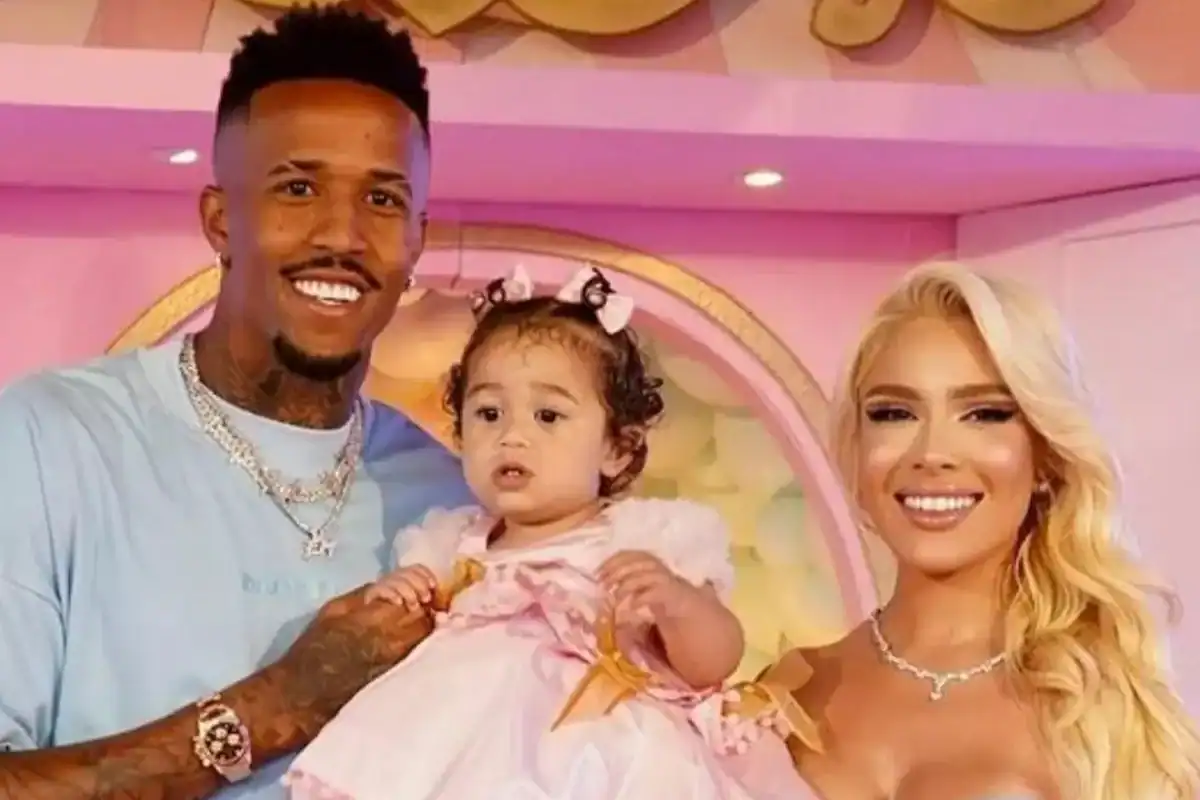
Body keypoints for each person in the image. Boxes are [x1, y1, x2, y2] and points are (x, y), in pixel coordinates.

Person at [0, 7, 474, 798]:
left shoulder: (453, 499)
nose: (342, 235)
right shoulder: (51, 442)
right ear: (220, 220)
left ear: (417, 240)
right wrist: (279, 703)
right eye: (298, 188)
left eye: (384, 200)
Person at [281, 265, 809, 799]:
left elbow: (715, 662)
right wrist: (402, 593)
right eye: (489, 413)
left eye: (549, 416)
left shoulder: (642, 537)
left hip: (595, 749)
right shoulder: (455, 542)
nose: (512, 436)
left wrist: (676, 604)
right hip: (464, 742)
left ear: (617, 448)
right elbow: (399, 624)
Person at [744, 262, 1200, 799]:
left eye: (985, 414)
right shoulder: (793, 687)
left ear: (1046, 455)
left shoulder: (1101, 712)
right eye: (894, 413)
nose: (932, 452)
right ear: (857, 447)